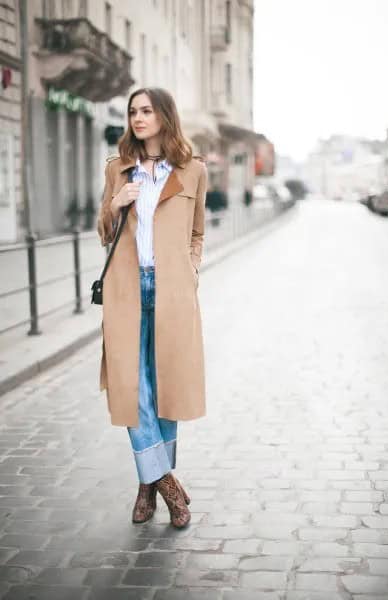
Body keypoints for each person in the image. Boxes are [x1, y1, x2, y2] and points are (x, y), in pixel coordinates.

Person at [96, 87, 208, 529]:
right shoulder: (116, 169)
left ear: (164, 115)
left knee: (165, 391)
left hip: (172, 291)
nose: (138, 118)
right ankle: (167, 486)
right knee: (132, 390)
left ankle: (146, 485)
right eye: (132, 112)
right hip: (126, 290)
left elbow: (197, 231)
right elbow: (104, 232)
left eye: (146, 110)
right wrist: (115, 203)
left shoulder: (192, 170)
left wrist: (190, 268)